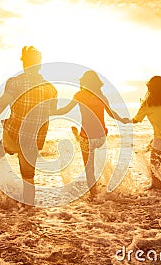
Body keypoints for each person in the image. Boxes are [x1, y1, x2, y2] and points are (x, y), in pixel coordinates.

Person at [0, 46, 57, 207]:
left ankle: (3, 148)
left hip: (14, 132)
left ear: (24, 64)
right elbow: (52, 110)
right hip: (34, 138)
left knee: (9, 144)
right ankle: (28, 213)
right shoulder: (50, 88)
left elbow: (1, 105)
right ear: (39, 64)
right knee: (28, 177)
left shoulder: (16, 82)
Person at [54, 70, 128, 201]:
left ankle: (93, 195)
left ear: (84, 82)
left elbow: (64, 110)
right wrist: (123, 120)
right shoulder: (102, 96)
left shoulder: (79, 95)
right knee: (97, 158)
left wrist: (50, 111)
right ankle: (81, 136)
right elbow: (112, 114)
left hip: (87, 139)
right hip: (101, 138)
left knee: (89, 169)